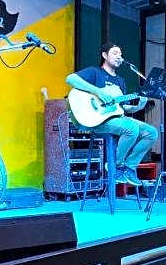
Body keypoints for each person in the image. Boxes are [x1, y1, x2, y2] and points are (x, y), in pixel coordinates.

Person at [66, 42, 157, 186]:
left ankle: (129, 168)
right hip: (98, 119)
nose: (119, 56)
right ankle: (116, 166)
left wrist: (139, 106)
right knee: (131, 128)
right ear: (104, 55)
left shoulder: (120, 81)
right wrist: (97, 91)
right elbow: (70, 79)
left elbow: (123, 108)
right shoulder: (95, 72)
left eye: (120, 54)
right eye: (115, 53)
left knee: (151, 133)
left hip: (117, 118)